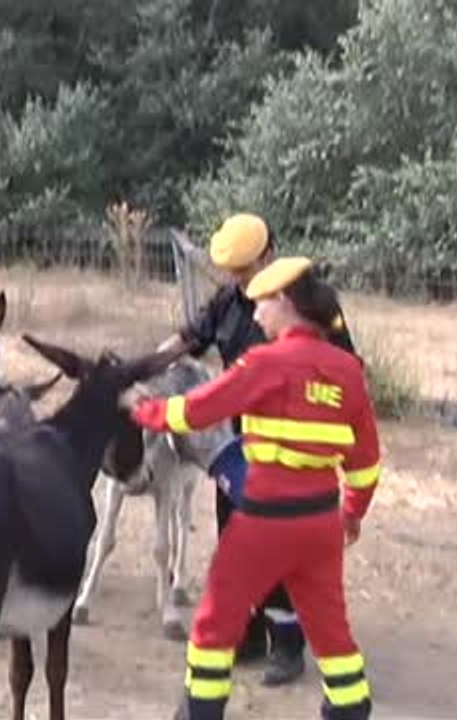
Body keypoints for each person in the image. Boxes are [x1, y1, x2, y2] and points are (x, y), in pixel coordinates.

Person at [128, 256, 381, 720]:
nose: (256, 315)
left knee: (212, 627)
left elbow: (199, 410)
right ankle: (349, 709)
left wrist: (146, 411)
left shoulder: (265, 363)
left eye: (261, 305)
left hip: (263, 521)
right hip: (321, 522)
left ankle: (199, 713)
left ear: (284, 302)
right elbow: (365, 462)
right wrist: (352, 513)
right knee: (332, 635)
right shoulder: (348, 371)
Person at [169, 213, 358, 686]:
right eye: (231, 272)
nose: (236, 280)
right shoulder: (229, 301)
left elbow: (346, 366)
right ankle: (246, 636)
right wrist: (139, 366)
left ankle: (288, 647)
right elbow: (187, 339)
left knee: (282, 553)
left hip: (292, 453)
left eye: (243, 269)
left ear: (268, 255)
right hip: (237, 446)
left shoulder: (311, 304)